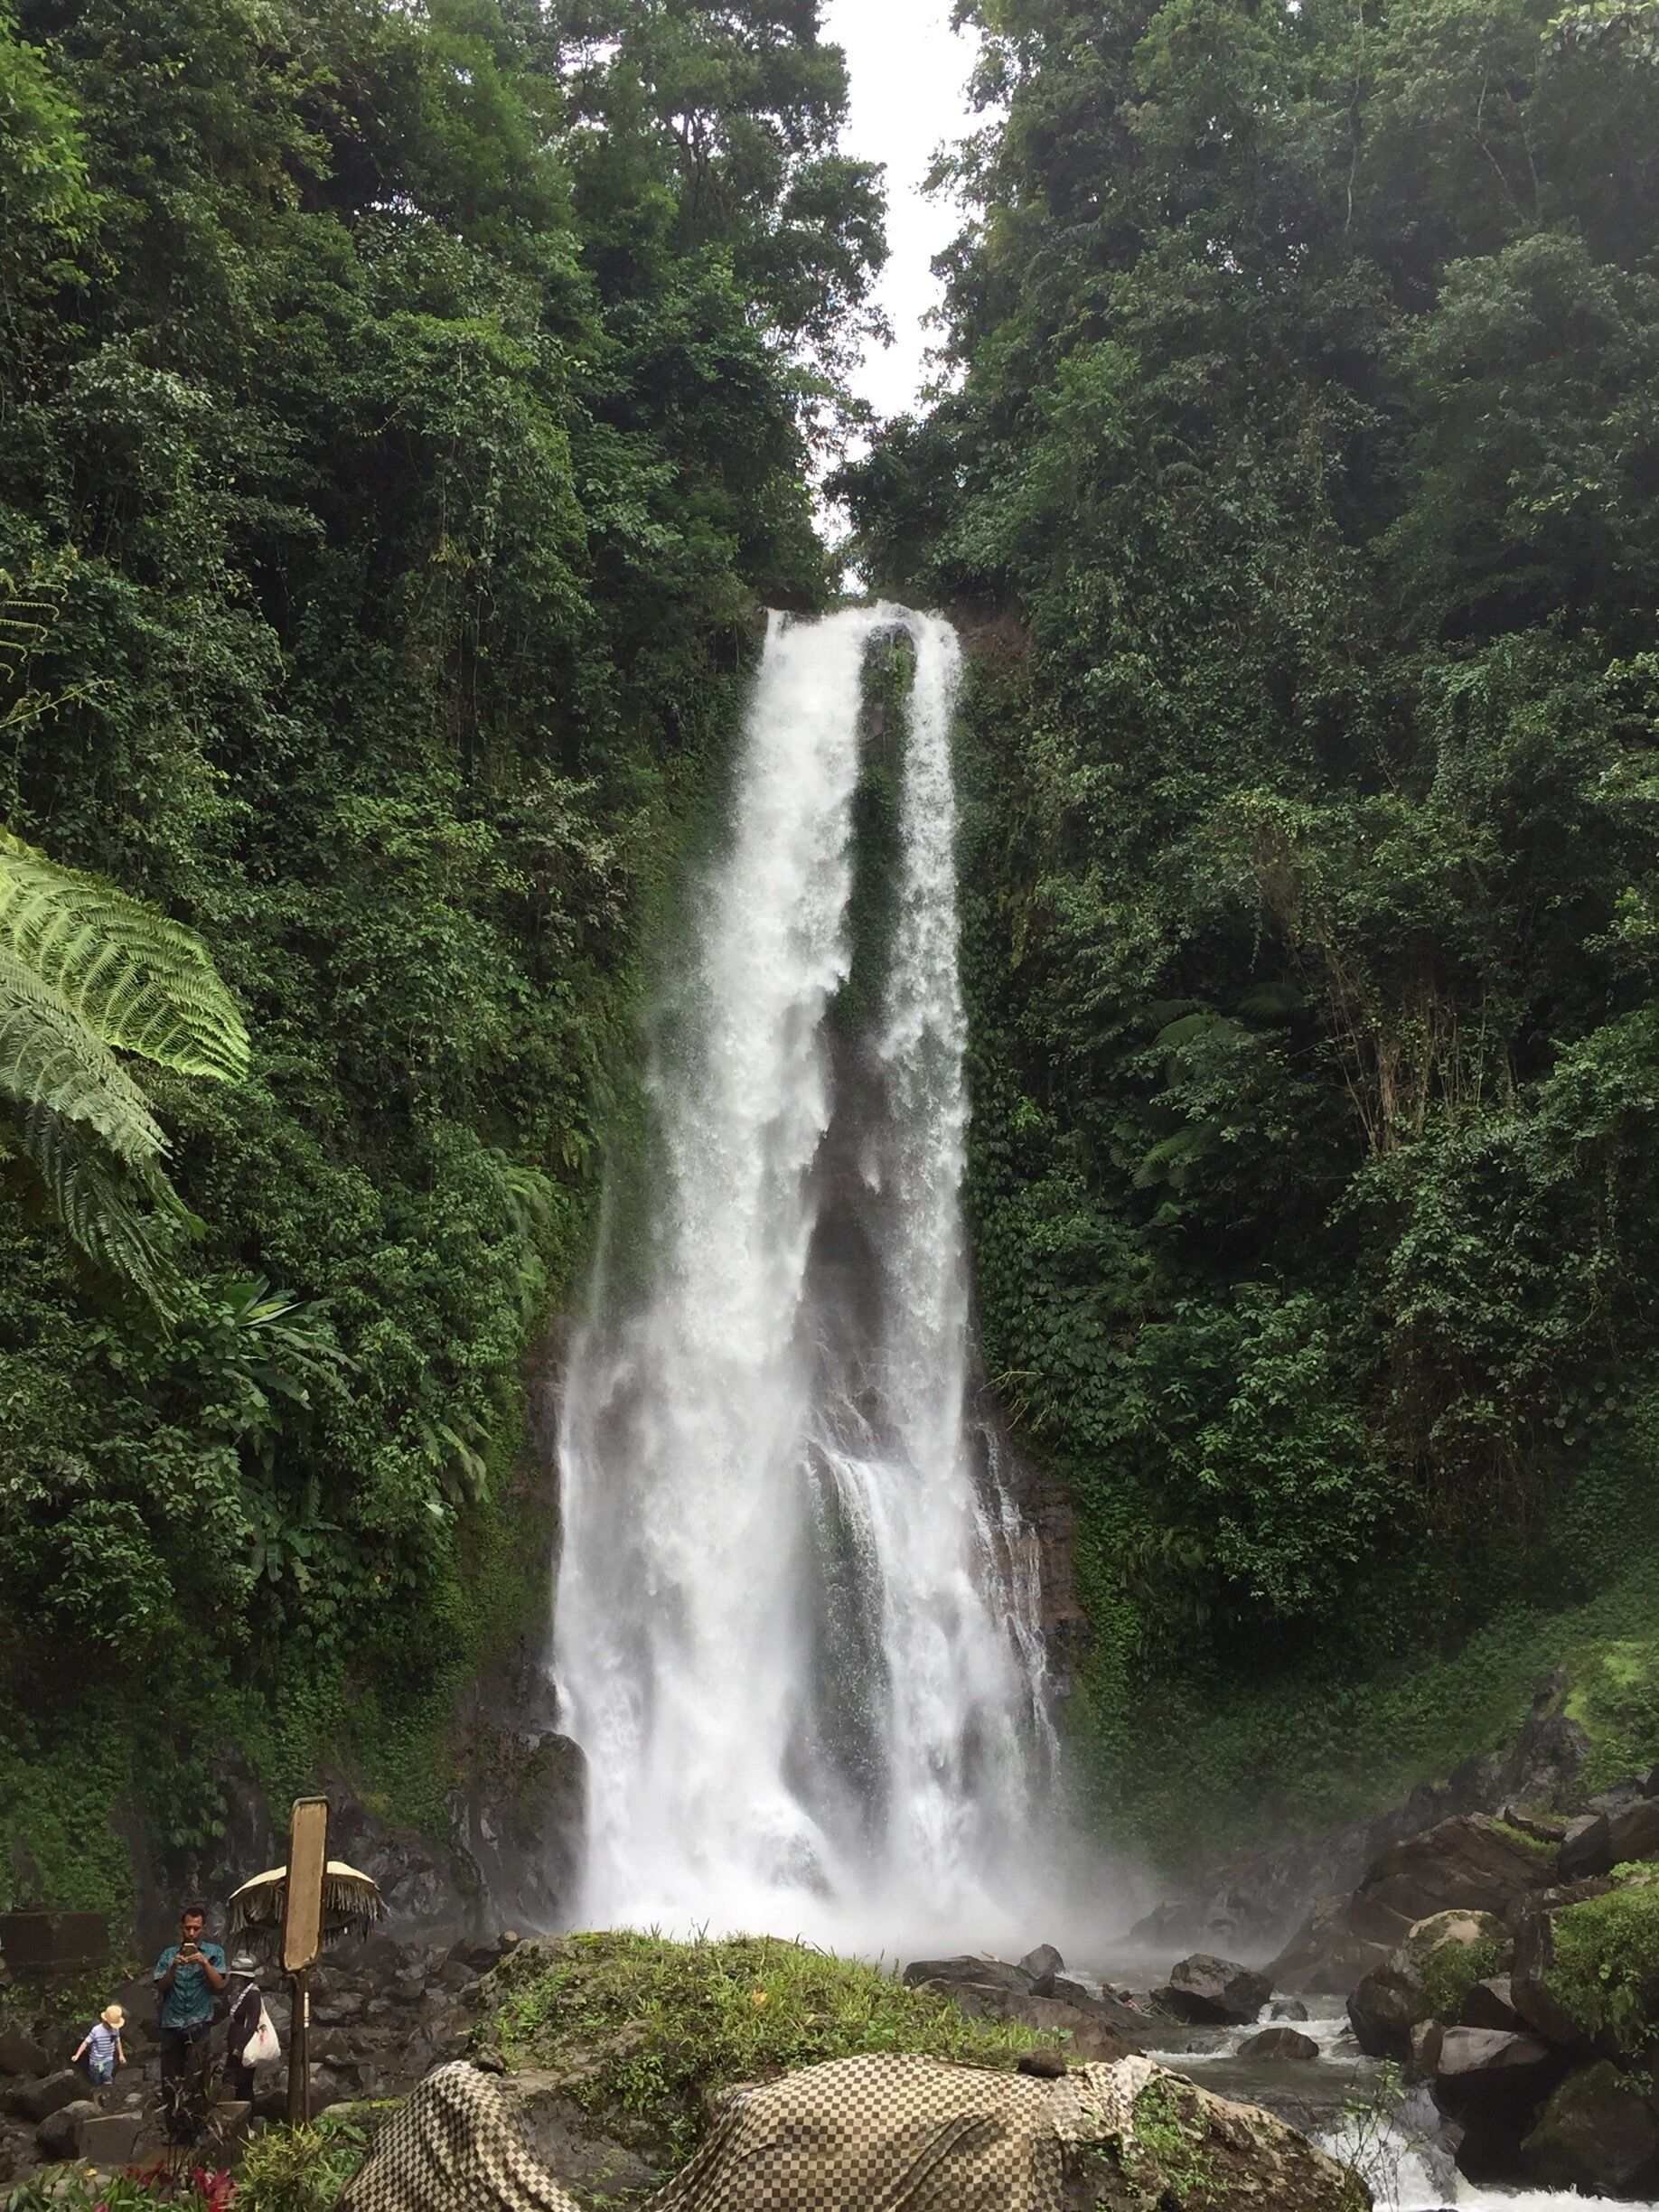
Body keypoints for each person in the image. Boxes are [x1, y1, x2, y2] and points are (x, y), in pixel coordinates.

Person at [153, 1906, 227, 2103]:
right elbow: (161, 1987)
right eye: (188, 1928)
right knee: (169, 2080)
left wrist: (204, 1963)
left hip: (199, 2022)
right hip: (172, 2023)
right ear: (181, 1928)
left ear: (204, 1929)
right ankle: (172, 2121)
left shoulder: (214, 1953)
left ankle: (196, 2124)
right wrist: (174, 1967)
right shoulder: (169, 1955)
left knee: (197, 2078)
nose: (191, 1933)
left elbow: (220, 1985)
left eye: (196, 1928)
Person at [223, 1953, 264, 2104]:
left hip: (243, 2047)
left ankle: (247, 2119)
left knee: (240, 2083)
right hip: (236, 2043)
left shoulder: (253, 1994)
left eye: (236, 1976)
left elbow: (252, 2023)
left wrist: (240, 2047)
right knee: (238, 2083)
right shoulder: (242, 1993)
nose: (233, 1979)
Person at [71, 2003, 126, 2104]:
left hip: (108, 2059)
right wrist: (77, 2055)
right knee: (97, 2079)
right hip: (97, 2061)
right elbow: (86, 2042)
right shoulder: (97, 2030)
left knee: (107, 2077)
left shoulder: (115, 2030)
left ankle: (106, 2096)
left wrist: (121, 2055)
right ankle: (97, 2095)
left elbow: (117, 2041)